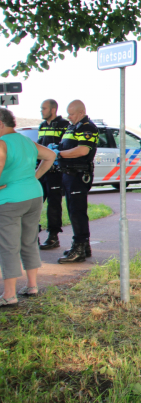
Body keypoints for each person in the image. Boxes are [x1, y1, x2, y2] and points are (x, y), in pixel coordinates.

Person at [0, 108, 56, 307]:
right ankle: (32, 285)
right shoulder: (25, 140)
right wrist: (34, 177)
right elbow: (50, 155)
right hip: (34, 195)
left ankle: (9, 294)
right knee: (29, 240)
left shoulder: (2, 143)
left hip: (10, 200)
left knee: (8, 246)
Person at [53, 100, 99, 264]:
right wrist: (58, 147)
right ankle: (84, 246)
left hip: (78, 174)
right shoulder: (73, 127)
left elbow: (83, 149)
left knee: (77, 211)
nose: (68, 116)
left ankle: (78, 248)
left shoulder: (87, 127)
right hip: (69, 174)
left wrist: (59, 154)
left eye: (71, 113)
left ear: (81, 112)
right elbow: (67, 145)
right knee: (73, 210)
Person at [36, 99, 70, 250]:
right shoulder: (42, 125)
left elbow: (66, 145)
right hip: (42, 169)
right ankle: (32, 234)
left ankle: (53, 236)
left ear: (53, 109)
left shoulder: (64, 125)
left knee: (54, 205)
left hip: (55, 172)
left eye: (44, 108)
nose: (41, 111)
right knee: (35, 203)